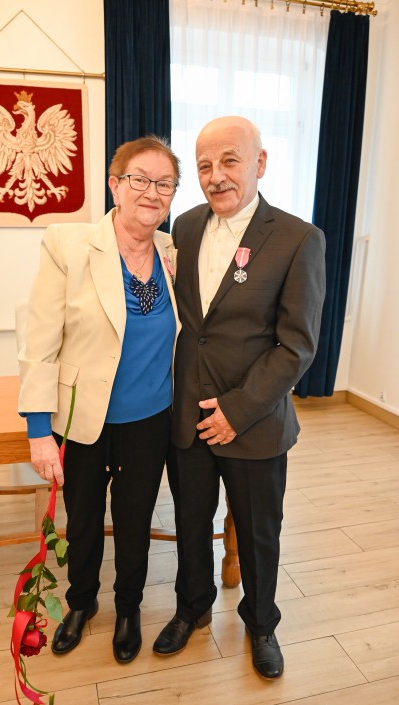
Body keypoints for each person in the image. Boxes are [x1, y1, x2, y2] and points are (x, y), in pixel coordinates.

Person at [152, 116, 326, 679]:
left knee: (257, 533)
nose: (216, 176)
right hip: (188, 413)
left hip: (254, 420)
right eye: (204, 165)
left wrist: (238, 409)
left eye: (230, 160)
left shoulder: (299, 238)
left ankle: (261, 622)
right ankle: (192, 607)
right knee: (190, 521)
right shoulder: (184, 226)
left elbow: (296, 345)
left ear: (260, 163)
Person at [18, 136, 181, 664]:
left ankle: (129, 607)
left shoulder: (171, 251)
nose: (152, 192)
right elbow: (40, 343)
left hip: (150, 419)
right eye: (140, 179)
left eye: (165, 183)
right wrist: (38, 430)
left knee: (134, 521)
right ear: (115, 184)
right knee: (84, 519)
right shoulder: (68, 244)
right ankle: (81, 603)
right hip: (80, 417)